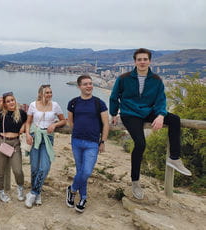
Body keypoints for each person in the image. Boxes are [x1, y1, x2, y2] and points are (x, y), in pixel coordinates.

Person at [109, 48, 192, 200]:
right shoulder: (124, 78)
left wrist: (161, 115)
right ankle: (135, 181)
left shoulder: (156, 80)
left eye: (145, 59)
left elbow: (161, 100)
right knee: (140, 144)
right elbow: (114, 97)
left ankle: (174, 158)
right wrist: (114, 113)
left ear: (149, 61)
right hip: (130, 113)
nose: (142, 62)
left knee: (174, 119)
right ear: (135, 61)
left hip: (148, 111)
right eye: (139, 59)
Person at [66, 75, 109, 213]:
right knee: (80, 171)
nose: (89, 86)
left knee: (86, 172)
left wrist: (102, 141)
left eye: (90, 83)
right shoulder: (73, 103)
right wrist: (78, 132)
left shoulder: (99, 103)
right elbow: (70, 122)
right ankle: (83, 197)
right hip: (76, 141)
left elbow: (106, 124)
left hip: (92, 143)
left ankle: (72, 190)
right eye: (85, 84)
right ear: (79, 86)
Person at [24, 85, 66, 208]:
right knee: (35, 167)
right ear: (41, 93)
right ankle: (37, 193)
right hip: (35, 136)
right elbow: (28, 122)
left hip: (48, 138)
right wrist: (27, 134)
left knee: (45, 167)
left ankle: (33, 193)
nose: (49, 94)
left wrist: (55, 125)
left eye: (50, 92)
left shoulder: (55, 105)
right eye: (47, 92)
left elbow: (64, 121)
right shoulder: (33, 105)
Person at [0, 92, 27, 203]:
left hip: (15, 143)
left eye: (12, 100)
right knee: (0, 171)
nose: (11, 102)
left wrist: (24, 126)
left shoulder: (21, 113)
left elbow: (28, 121)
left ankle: (20, 188)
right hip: (1, 142)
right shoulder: (2, 113)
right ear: (5, 104)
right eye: (8, 101)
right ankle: (1, 191)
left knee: (18, 170)